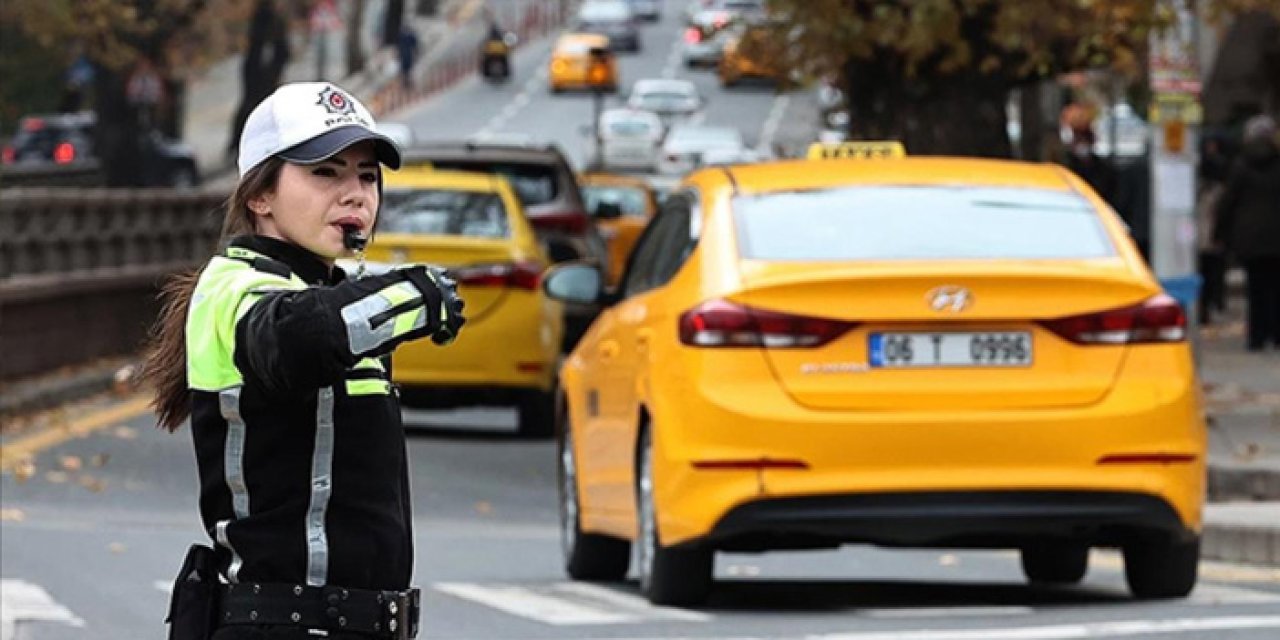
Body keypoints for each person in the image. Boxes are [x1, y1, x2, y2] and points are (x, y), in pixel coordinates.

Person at [143, 81, 464, 639]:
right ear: (259, 195)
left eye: (367, 175)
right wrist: (415, 293)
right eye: (325, 172)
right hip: (284, 622)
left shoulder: (329, 288)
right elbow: (299, 338)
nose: (355, 193)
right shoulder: (233, 287)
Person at [1215, 114, 1280, 351]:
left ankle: (1256, 336)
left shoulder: (1241, 165)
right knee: (1276, 286)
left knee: (1256, 287)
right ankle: (1276, 333)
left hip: (1250, 237)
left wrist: (1220, 233)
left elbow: (1228, 202)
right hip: (1277, 237)